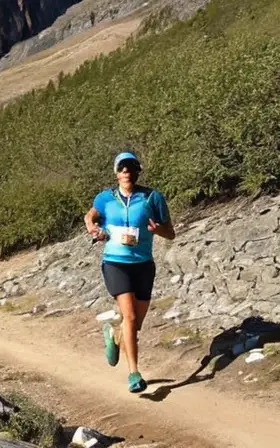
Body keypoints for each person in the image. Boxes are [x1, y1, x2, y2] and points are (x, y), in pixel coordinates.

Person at [83, 151, 175, 393]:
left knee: (134, 326)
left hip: (144, 264)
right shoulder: (105, 198)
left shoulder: (152, 198)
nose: (126, 171)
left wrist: (157, 231)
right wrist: (94, 228)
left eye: (130, 167)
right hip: (115, 262)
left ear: (138, 170)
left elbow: (170, 233)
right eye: (121, 168)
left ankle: (113, 337)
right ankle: (134, 374)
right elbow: (90, 216)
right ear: (116, 172)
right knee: (130, 318)